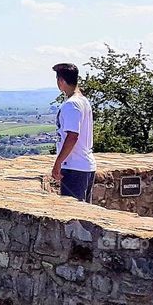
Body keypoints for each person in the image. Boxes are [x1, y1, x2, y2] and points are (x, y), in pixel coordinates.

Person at [51, 63, 96, 202]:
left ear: (61, 81)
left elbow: (72, 136)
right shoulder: (83, 101)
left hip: (74, 168)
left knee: (74, 220)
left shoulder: (71, 104)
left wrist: (58, 162)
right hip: (84, 166)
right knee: (83, 216)